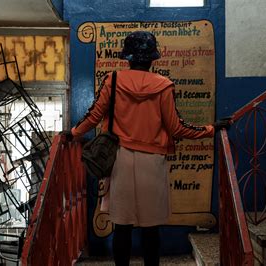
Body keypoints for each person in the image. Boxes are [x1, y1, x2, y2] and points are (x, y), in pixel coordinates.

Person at [63, 31, 230, 266]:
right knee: (151, 229)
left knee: (122, 226)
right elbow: (177, 127)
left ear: (127, 58)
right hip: (153, 161)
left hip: (120, 159)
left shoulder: (113, 80)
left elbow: (93, 116)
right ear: (153, 58)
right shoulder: (164, 85)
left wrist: (72, 133)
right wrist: (210, 129)